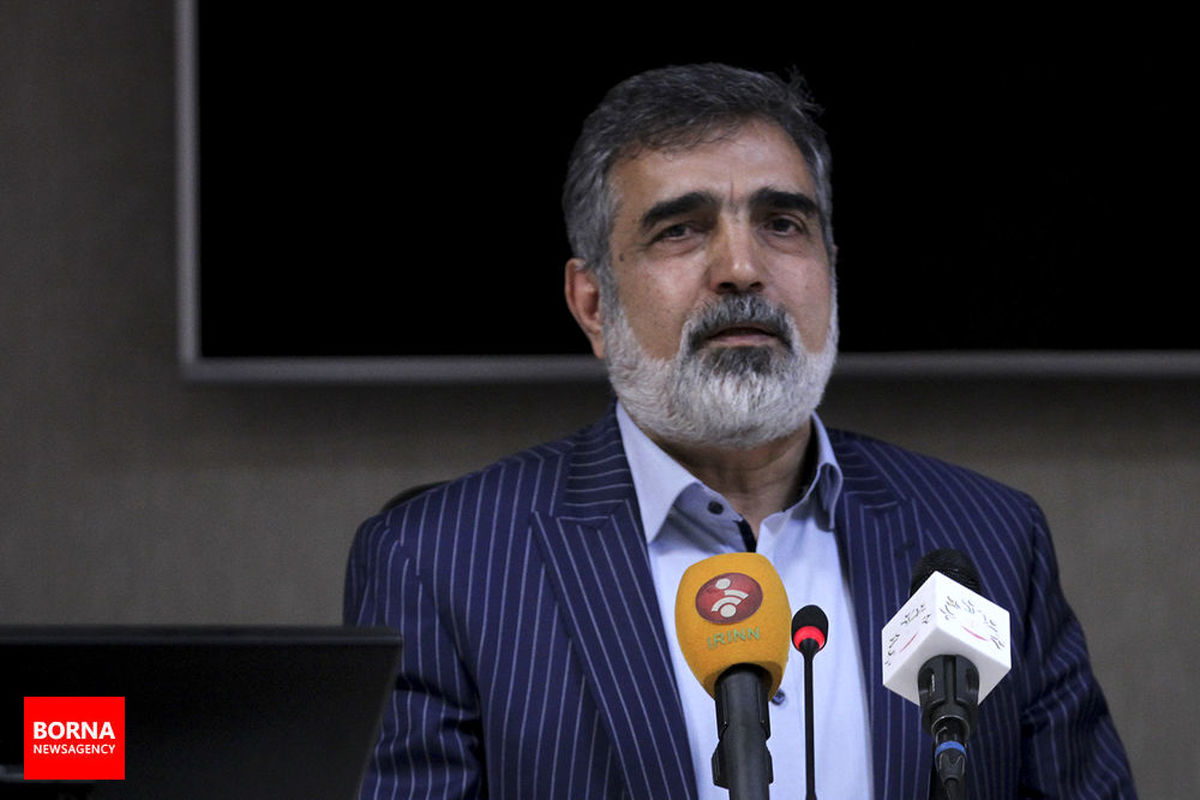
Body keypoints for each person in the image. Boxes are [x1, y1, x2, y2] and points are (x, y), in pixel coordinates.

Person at [344, 64, 1135, 799]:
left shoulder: (991, 538)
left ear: (830, 271)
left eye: (782, 224)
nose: (742, 268)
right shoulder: (440, 564)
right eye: (680, 230)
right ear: (592, 303)